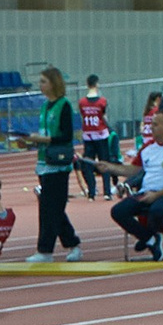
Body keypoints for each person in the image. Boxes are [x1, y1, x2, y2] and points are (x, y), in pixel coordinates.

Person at [109, 107, 163, 259]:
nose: (150, 128)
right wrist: (109, 167)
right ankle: (150, 239)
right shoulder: (148, 147)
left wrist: (156, 195)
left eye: (155, 125)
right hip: (146, 191)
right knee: (118, 211)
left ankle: (149, 238)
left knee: (157, 210)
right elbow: (132, 170)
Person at [34, 66, 85, 258]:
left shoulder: (63, 105)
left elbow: (65, 136)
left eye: (43, 81)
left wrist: (44, 140)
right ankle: (72, 243)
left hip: (58, 164)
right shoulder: (45, 106)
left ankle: (45, 249)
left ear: (53, 83)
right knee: (53, 207)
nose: (40, 85)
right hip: (44, 161)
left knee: (49, 207)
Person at [76, 75, 118, 198]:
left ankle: (92, 192)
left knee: (88, 163)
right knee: (104, 162)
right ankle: (107, 192)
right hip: (100, 134)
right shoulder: (102, 101)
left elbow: (83, 117)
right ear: (97, 84)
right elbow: (103, 117)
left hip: (88, 135)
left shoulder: (82, 102)